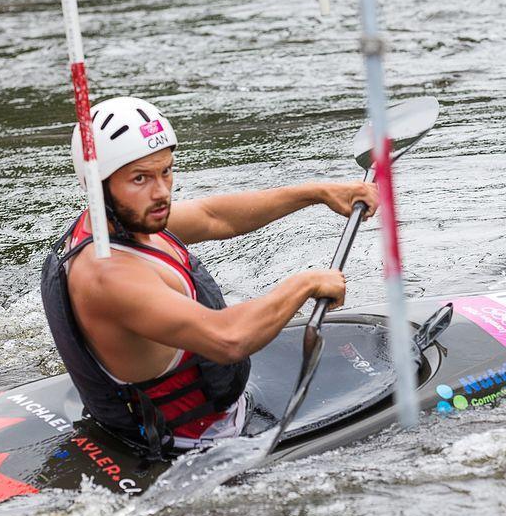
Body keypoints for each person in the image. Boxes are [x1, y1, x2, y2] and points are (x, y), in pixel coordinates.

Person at [42, 96, 378, 460]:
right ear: (98, 185)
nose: (161, 192)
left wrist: (317, 192)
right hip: (196, 443)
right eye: (140, 178)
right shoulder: (109, 277)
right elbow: (228, 339)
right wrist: (306, 283)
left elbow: (214, 217)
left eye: (166, 171)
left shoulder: (122, 220)